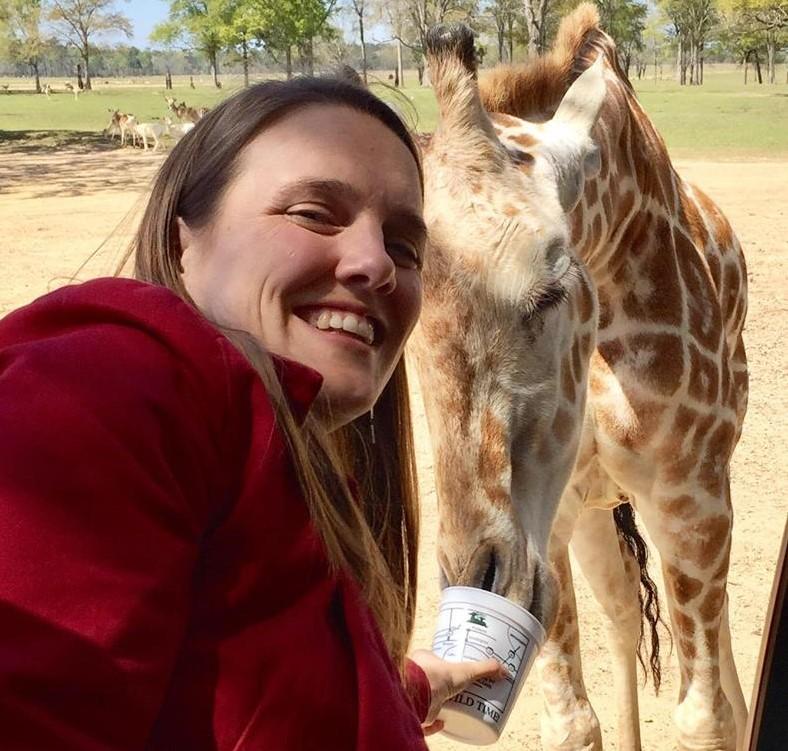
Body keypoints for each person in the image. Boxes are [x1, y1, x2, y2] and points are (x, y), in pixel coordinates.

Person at [0, 77, 505, 749]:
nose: (375, 263)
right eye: (314, 213)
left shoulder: (272, 458)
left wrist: (396, 686)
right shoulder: (110, 387)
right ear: (185, 241)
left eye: (404, 246)